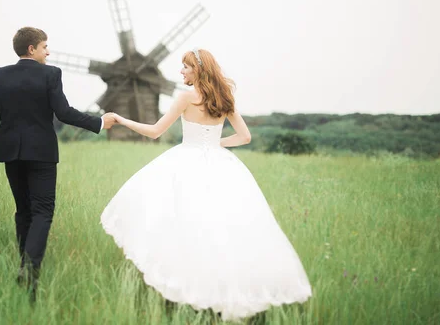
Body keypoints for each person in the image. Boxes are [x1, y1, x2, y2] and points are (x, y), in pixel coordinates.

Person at [101, 48, 312, 321]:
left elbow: (154, 132)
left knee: (184, 225)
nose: (181, 71)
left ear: (198, 70)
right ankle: (219, 292)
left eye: (186, 67)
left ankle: (188, 292)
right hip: (220, 164)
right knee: (221, 228)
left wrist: (120, 118)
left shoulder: (186, 98)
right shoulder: (225, 98)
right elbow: (245, 137)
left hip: (186, 161)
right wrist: (215, 144)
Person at [0, 27, 116, 302]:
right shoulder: (51, 74)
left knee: (23, 211)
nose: (48, 52)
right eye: (45, 46)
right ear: (31, 49)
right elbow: (63, 112)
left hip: (11, 151)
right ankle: (29, 273)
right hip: (42, 153)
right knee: (43, 212)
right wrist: (98, 122)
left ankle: (23, 268)